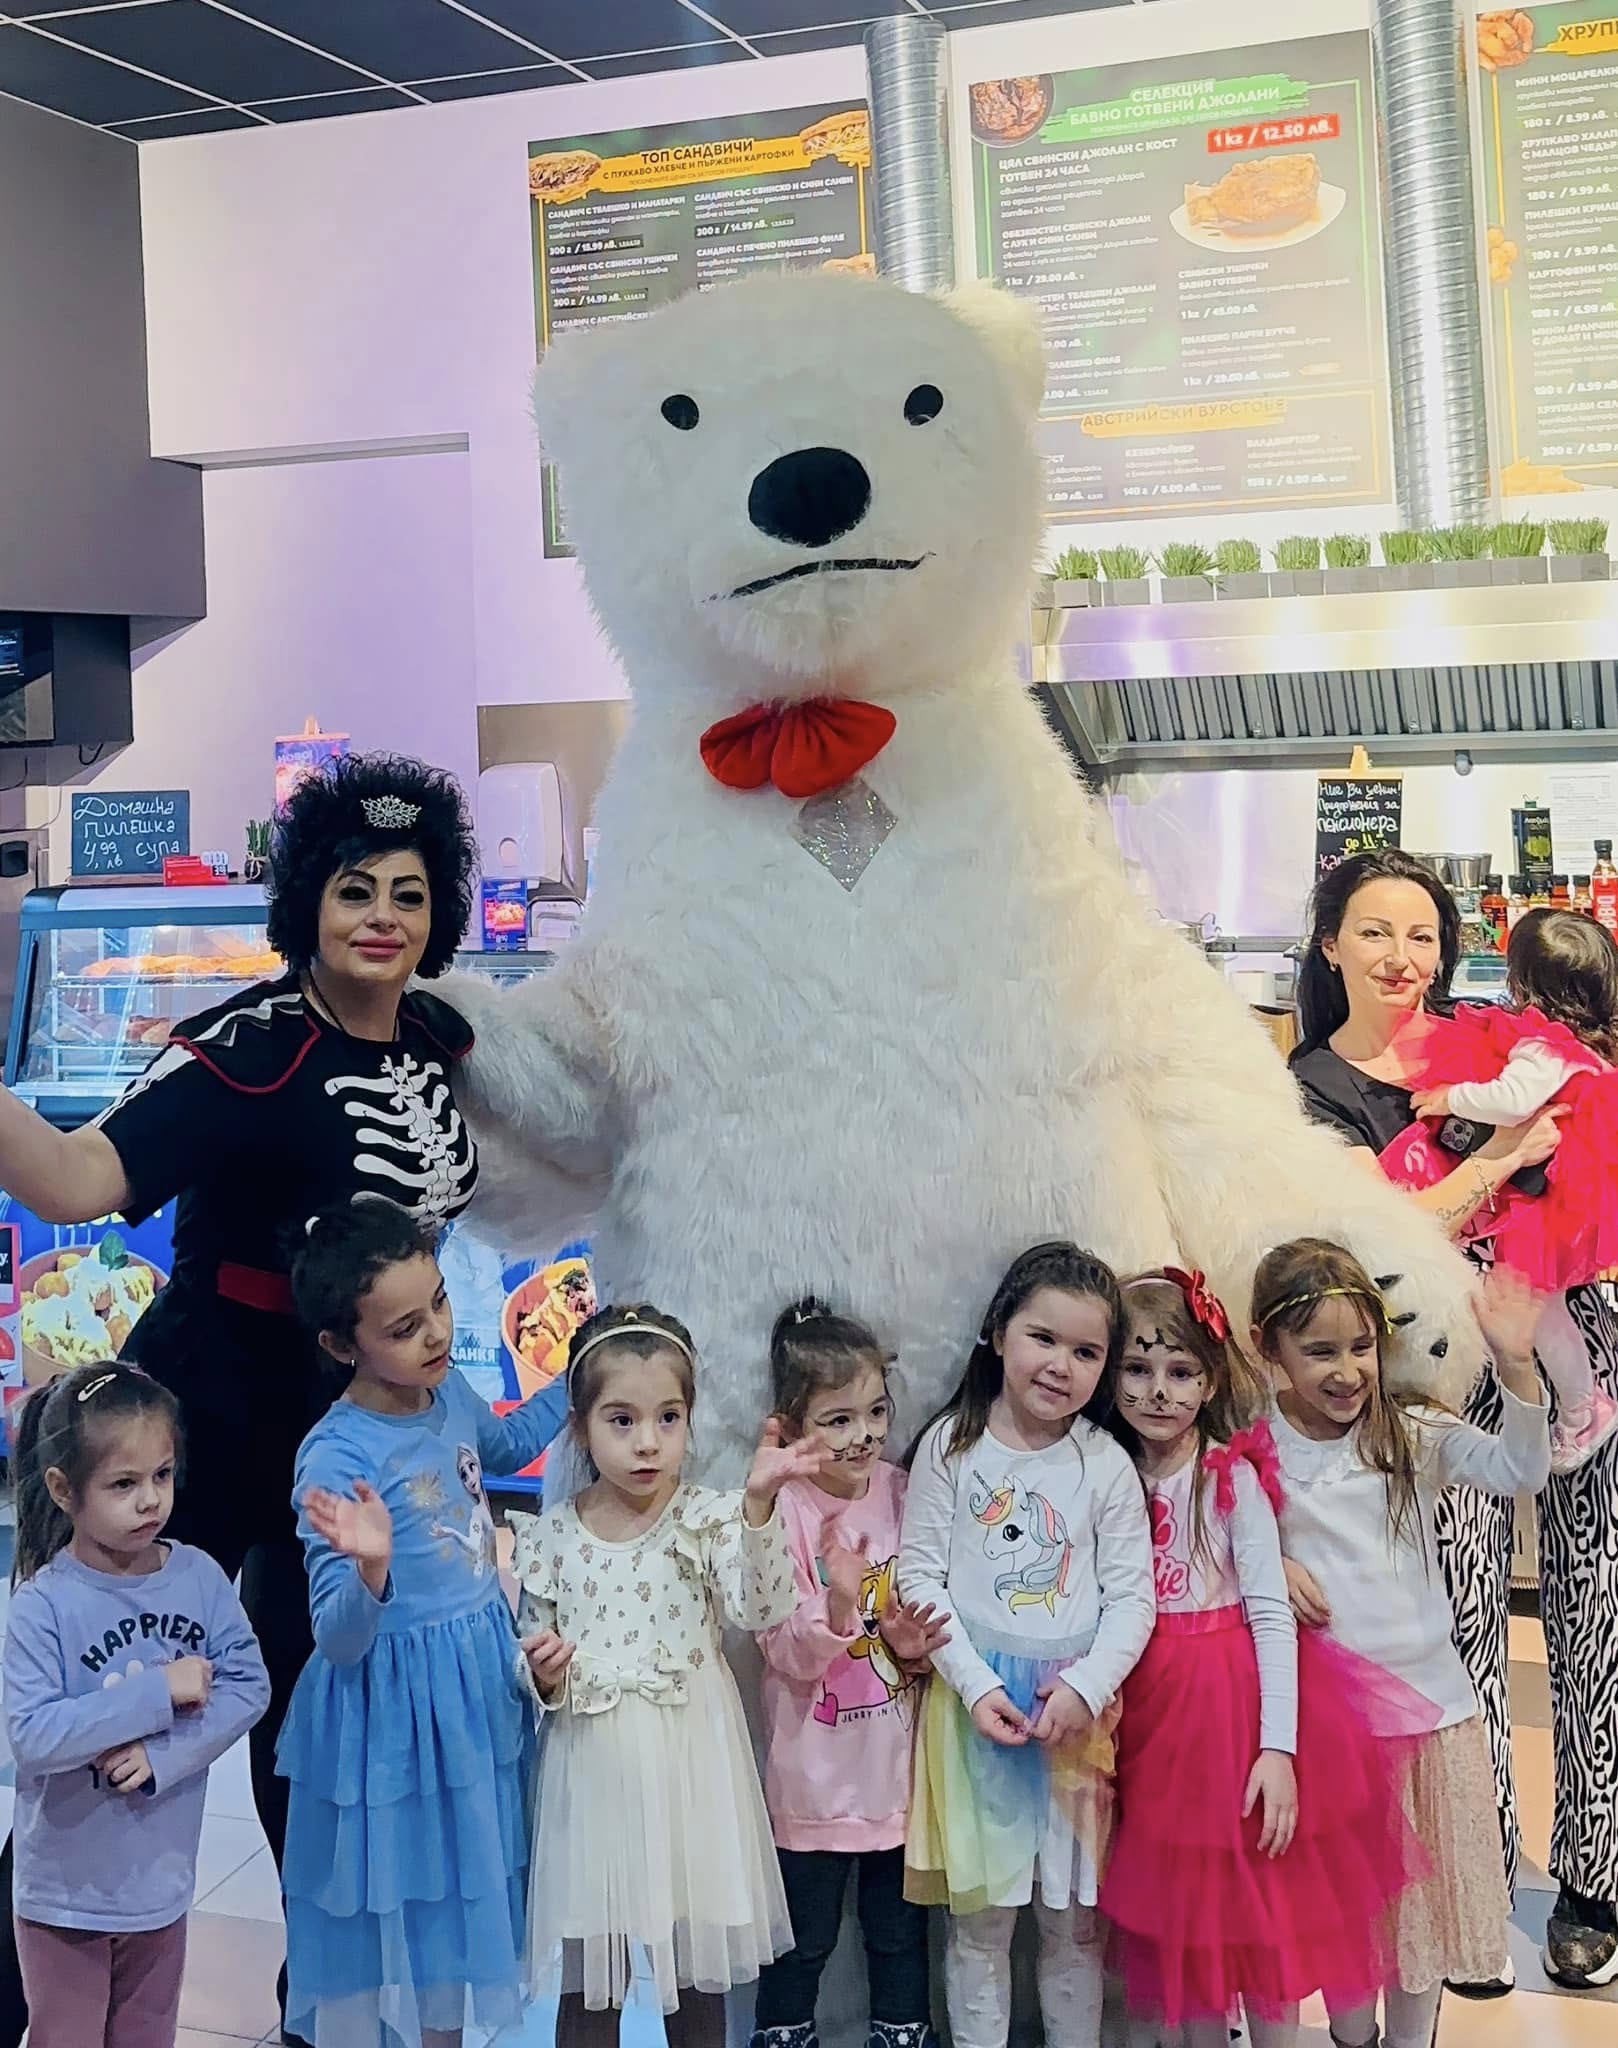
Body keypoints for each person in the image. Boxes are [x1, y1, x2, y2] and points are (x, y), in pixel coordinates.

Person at [0, 752, 481, 2045]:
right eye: (353, 888)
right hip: (203, 1426)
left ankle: (313, 2008)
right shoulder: (246, 1051)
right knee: (102, 1712)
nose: (382, 915)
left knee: (318, 1734)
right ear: (306, 899)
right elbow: (75, 1178)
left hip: (354, 1441)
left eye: (409, 891)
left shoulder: (441, 1040)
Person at [1289, 847, 1618, 1995]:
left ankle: (1594, 1881)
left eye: (1422, 934)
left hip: (1570, 1333)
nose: (1402, 957)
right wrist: (1508, 1155)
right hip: (1439, 1371)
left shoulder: (1491, 1039)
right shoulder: (1309, 1087)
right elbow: (1379, 1234)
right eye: (1375, 931)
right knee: (1463, 1624)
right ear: (1330, 944)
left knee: (1596, 1608)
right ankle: (1474, 1882)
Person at [275, 1199, 567, 2048]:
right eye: (405, 1327)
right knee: (409, 1912)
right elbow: (338, 1639)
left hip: (474, 1693)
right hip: (395, 1721)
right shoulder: (337, 1455)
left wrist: (578, 1372)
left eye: (439, 1302)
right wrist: (371, 1569)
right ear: (342, 1345)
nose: (437, 1333)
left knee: (463, 1907)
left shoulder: (446, 1390)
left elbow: (504, 1447)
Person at [1098, 1269, 1417, 2048]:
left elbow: (1271, 1614)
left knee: (1266, 1908)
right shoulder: (1104, 1472)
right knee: (1190, 1913)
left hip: (1231, 1710)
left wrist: (1278, 1748)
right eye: (1137, 1369)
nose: (1158, 1392)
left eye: (1181, 1372)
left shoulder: (1227, 1475)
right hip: (1149, 1715)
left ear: (1210, 1381)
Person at [1254, 1237, 1551, 2048]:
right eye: (1320, 1352)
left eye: (1361, 1347)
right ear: (1267, 1348)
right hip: (1329, 1735)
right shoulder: (1256, 1447)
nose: (1348, 1371)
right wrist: (1269, 1563)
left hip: (1429, 1720)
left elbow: (1520, 1471)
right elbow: (1217, 1538)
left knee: (1418, 1927)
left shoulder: (1411, 1431)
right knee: (1349, 1922)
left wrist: (1518, 1368)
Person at [511, 1303, 816, 2048]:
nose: (648, 1441)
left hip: (691, 1771)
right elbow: (529, 1655)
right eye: (621, 1420)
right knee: (592, 1982)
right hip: (594, 1775)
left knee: (694, 1976)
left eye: (668, 1418)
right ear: (580, 1427)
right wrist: (542, 1676)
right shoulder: (551, 1536)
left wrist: (759, 1507)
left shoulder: (707, 1518)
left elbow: (762, 1606)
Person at [898, 1241, 1155, 2048]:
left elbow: (1133, 1599)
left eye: (1086, 1352)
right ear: (999, 1330)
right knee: (979, 1930)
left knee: (1074, 1927)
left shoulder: (1106, 1465)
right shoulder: (951, 1445)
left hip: (1076, 1724)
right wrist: (976, 1687)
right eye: (1043, 1338)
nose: (1060, 1366)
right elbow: (918, 1576)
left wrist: (1084, 1688)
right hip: (976, 1716)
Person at [3, 1365, 270, 2048]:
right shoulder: (43, 1604)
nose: (151, 1500)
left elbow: (248, 1684)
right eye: (123, 1484)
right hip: (63, 1899)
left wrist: (163, 1754)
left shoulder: (199, 1577)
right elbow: (33, 1735)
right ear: (63, 1489)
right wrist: (157, 1693)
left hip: (159, 1889)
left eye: (163, 1475)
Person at [751, 1300, 951, 2048]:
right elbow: (782, 1649)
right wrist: (839, 1603)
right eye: (838, 1420)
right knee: (802, 1947)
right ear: (791, 1425)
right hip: (812, 1788)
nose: (864, 1434)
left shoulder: (905, 1491)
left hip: (898, 1784)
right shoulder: (784, 1511)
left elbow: (925, 1619)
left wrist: (912, 1645)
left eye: (875, 1411)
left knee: (899, 1942)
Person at [1403, 908, 1618, 1469]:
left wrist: (1449, 1097)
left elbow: (1510, 1099)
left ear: (1522, 981)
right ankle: (1580, 1405)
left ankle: (1583, 1407)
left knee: (1532, 1308)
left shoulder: (1543, 1045)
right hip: (1571, 1197)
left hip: (1544, 1208)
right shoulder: (1590, 1044)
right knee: (1544, 1306)